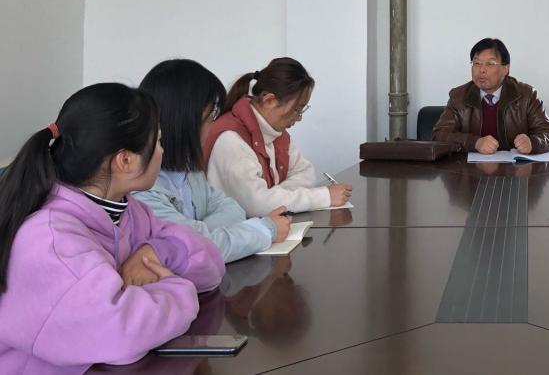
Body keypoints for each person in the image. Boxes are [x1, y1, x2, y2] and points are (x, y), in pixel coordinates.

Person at [0, 83, 225, 373]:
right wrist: (177, 290)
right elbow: (121, 333)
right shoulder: (50, 240)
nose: (162, 151)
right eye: (158, 142)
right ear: (125, 160)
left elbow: (210, 263)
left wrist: (154, 252)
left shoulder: (129, 211)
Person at [135, 59, 292, 262]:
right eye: (211, 115)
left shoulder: (190, 171)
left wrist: (203, 234)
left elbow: (232, 208)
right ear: (185, 120)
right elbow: (198, 250)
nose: (214, 124)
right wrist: (266, 229)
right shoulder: (140, 189)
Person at [204, 57, 352, 217]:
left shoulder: (275, 133)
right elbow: (257, 205)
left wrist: (273, 196)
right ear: (269, 100)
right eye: (297, 110)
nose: (299, 118)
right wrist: (323, 197)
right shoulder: (231, 140)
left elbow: (306, 173)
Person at [432, 38, 549, 154]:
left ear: (505, 69)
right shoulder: (458, 96)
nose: (481, 70)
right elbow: (439, 135)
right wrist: (474, 143)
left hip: (515, 169)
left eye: (490, 64)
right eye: (476, 63)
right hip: (471, 169)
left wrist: (533, 143)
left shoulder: (526, 95)